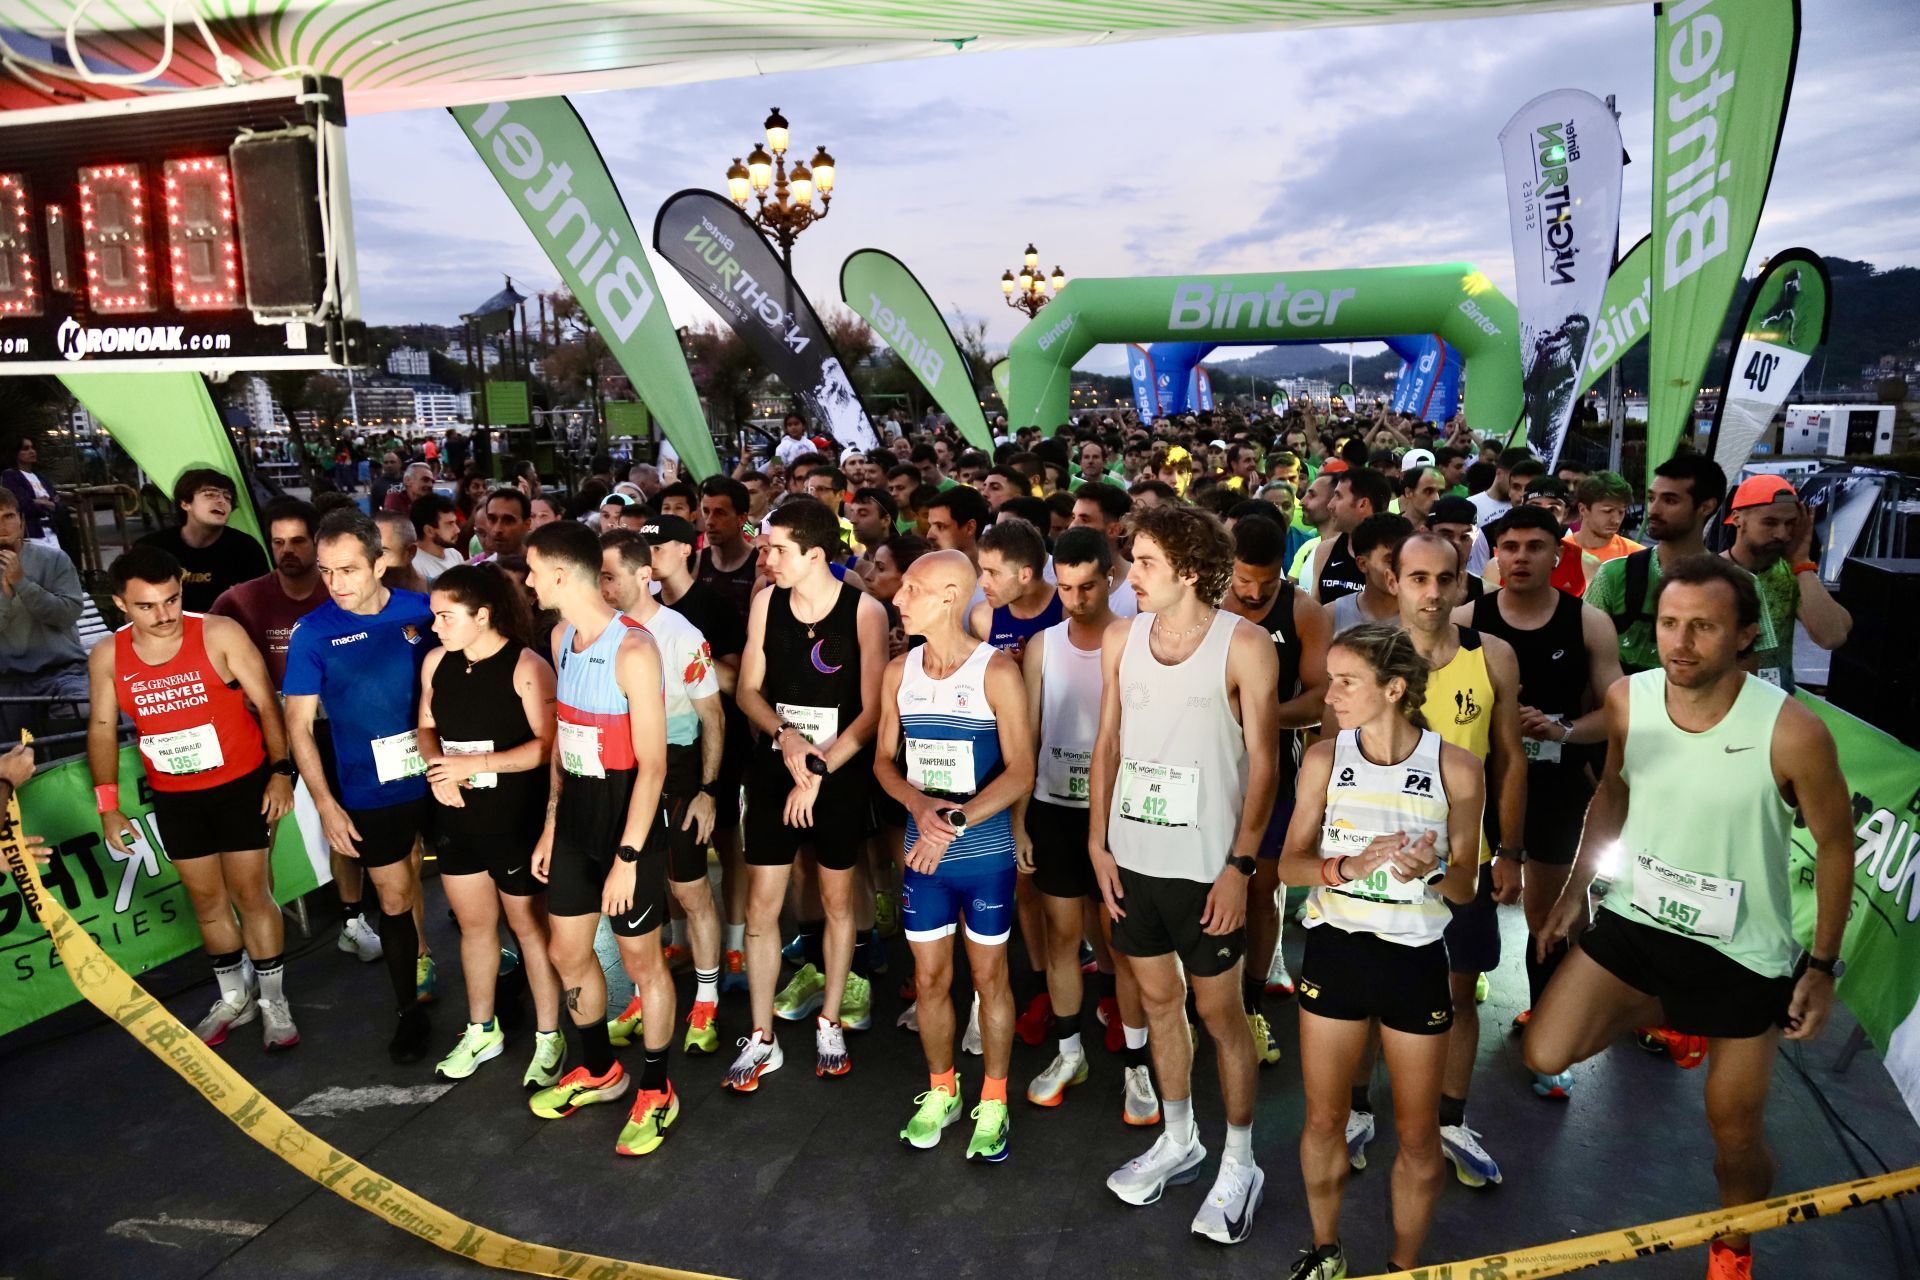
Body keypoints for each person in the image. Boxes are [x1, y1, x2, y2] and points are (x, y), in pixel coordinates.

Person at [1524, 556, 1855, 1280]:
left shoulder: (1793, 732)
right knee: (1544, 1054)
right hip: (1639, 920)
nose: (1680, 642)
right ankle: (1673, 1015)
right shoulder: (1629, 701)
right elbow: (1611, 793)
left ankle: (1734, 1240)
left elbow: (1835, 845)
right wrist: (1575, 891)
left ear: (1744, 637)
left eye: (1703, 627)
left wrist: (1823, 967)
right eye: (1670, 624)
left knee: (1733, 1133)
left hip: (1742, 951)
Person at [1092, 504, 1278, 1245]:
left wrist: (1241, 865)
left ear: (1190, 571)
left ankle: (1240, 1159)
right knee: (1159, 1003)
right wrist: (1099, 845)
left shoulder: (1247, 644)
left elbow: (1265, 762)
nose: (1127, 576)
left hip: (1208, 868)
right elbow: (1107, 741)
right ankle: (1180, 1139)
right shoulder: (1121, 637)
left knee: (1222, 1017)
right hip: (1132, 860)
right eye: (1131, 561)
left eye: (1143, 563)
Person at [1277, 623, 1484, 1280]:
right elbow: (1288, 866)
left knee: (1420, 1135)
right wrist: (1346, 866)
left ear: (1394, 689)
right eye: (1331, 680)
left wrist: (1427, 871)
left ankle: (1403, 1266)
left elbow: (1466, 885)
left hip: (1415, 963)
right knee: (1324, 1119)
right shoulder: (1321, 758)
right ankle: (1327, 1249)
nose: (1329, 694)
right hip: (1336, 952)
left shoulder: (1457, 768)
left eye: (1346, 682)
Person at [1346, 532, 1524, 1188]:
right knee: (1367, 990)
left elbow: (1509, 758)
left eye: (1443, 579)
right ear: (1394, 580)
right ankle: (1356, 1111)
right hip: (1381, 861)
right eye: (1416, 577)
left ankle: (1451, 1120)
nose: (1430, 591)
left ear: (1461, 584)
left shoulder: (1493, 656)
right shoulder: (1364, 654)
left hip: (1462, 861)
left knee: (1456, 992)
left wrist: (1509, 850)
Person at [88, 546, 301, 1050]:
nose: (163, 616)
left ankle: (273, 999)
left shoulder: (217, 632)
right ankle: (233, 996)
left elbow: (267, 703)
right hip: (176, 795)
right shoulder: (108, 655)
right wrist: (108, 806)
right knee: (206, 901)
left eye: (172, 599)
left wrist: (281, 771)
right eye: (147, 606)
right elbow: (100, 727)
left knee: (251, 894)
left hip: (239, 785)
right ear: (120, 603)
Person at [521, 520, 680, 1157]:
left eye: (533, 570)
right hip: (576, 823)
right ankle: (598, 1069)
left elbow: (655, 766)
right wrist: (552, 824)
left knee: (643, 966)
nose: (528, 580)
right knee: (567, 953)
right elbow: (565, 743)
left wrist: (628, 858)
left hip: (627, 828)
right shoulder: (560, 636)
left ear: (561, 574)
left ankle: (658, 1088)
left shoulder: (633, 651)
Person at [875, 549, 1034, 1160]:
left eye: (910, 588)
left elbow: (1022, 770)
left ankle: (993, 1099)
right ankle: (942, 1089)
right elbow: (883, 761)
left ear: (948, 596)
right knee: (930, 980)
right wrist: (920, 809)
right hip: (925, 857)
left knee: (990, 979)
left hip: (983, 853)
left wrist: (956, 818)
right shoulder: (900, 671)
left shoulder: (995, 671)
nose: (897, 597)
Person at [1462, 506, 1623, 1097]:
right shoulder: (1465, 619)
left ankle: (1547, 1031)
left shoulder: (1589, 623)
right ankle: (1445, 1014)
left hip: (1556, 786)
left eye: (1535, 546)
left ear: (1560, 553)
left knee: (1550, 915)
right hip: (1479, 788)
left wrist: (1562, 730)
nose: (1521, 557)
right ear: (1495, 554)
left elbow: (1615, 714)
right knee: (1463, 901)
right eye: (1509, 547)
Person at [728, 499, 888, 1089]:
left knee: (838, 900)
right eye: (765, 547)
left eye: (776, 550)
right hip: (776, 766)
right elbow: (748, 691)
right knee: (761, 907)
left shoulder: (864, 611)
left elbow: (872, 713)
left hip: (838, 770)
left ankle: (831, 1019)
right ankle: (762, 1035)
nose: (764, 558)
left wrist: (818, 766)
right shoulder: (766, 602)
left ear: (815, 554)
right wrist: (787, 737)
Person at [284, 509, 438, 1063]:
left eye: (347, 570)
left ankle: (499, 991)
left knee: (481, 891)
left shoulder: (426, 613)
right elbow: (297, 726)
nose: (335, 583)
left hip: (444, 774)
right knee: (394, 899)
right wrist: (325, 804)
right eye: (326, 572)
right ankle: (408, 1012)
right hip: (371, 788)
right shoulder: (312, 634)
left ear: (380, 562)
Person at [1018, 527, 1159, 1123]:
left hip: (1122, 810)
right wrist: (1021, 821)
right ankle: (1069, 1051)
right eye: (1066, 587)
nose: (1076, 598)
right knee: (1061, 938)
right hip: (1054, 808)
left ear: (1110, 579)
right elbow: (1024, 738)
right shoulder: (1041, 646)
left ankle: (1137, 1067)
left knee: (1122, 945)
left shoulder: (1137, 641)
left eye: (1088, 586)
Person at [417, 564, 565, 1088]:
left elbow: (548, 748)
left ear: (482, 615)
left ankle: (550, 1034)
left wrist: (475, 766)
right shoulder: (437, 662)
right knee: (475, 928)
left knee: (529, 928)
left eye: (445, 616)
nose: (436, 627)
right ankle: (482, 1028)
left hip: (515, 819)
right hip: (458, 815)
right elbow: (426, 727)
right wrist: (439, 771)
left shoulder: (528, 666)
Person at [602, 528, 726, 1056]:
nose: (601, 586)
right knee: (639, 893)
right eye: (598, 576)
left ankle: (706, 998)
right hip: (622, 771)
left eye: (608, 576)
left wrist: (708, 790)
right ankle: (639, 992)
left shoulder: (681, 634)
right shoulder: (598, 632)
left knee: (691, 890)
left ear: (643, 576)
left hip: (677, 772)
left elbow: (713, 718)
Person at [1220, 515, 1331, 1066]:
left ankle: (1251, 1002)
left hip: (1276, 770)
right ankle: (1203, 1010)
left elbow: (1319, 700)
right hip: (1211, 773)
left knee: (1261, 894)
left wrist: (1258, 719)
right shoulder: (1208, 601)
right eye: (1244, 579)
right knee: (1201, 890)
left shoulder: (1303, 611)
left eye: (1266, 581)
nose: (1255, 591)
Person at [652, 514, 753, 993]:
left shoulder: (714, 604)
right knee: (673, 849)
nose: (649, 558)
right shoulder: (643, 610)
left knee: (728, 845)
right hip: (668, 745)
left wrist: (689, 658)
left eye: (658, 547)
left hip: (720, 738)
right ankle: (679, 941)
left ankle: (733, 944)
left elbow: (735, 681)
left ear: (685, 549)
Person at [1585, 455, 1760, 676]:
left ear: (1706, 507)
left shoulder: (1741, 584)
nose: (1654, 510)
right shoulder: (1613, 574)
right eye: (1651, 498)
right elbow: (1582, 654)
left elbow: (1746, 672)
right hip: (1620, 707)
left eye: (1670, 500)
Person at [1721, 474, 1852, 692]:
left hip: (1777, 703)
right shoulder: (1710, 574)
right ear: (1737, 519)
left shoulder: (1789, 574)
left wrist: (1802, 563)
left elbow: (1832, 637)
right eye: (1770, 522)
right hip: (1723, 703)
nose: (1782, 534)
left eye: (1790, 524)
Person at [0, 487, 90, 740]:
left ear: (22, 520)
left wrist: (23, 585)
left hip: (61, 673)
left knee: (86, 711)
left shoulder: (53, 559)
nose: (2, 526)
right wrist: (6, 596)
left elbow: (67, 614)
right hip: (6, 681)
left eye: (8, 516)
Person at [135, 468, 269, 613]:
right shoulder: (151, 548)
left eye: (227, 497)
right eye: (210, 494)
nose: (221, 501)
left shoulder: (246, 549)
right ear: (185, 503)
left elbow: (260, 606)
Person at [969, 517, 1060, 663]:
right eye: (983, 571)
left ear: (1025, 575)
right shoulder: (981, 618)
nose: (982, 583)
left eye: (993, 573)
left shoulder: (1068, 613)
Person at [1307, 469, 1392, 605]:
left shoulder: (1395, 556)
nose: (1330, 505)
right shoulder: (1326, 550)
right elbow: (1316, 610)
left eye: (1338, 496)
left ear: (1362, 504)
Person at [1064, 482, 1141, 618]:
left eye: (1084, 520)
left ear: (1113, 530)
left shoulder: (1140, 588)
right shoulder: (1059, 582)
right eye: (1073, 517)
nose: (1072, 527)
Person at [1328, 513, 1412, 634]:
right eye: (1390, 560)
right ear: (1362, 564)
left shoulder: (1428, 616)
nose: (1401, 568)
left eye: (1407, 559)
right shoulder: (1332, 616)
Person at [3, 435, 67, 549]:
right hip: (32, 533)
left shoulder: (40, 477)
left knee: (57, 564)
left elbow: (59, 505)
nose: (32, 451)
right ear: (16, 453)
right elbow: (23, 506)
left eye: (32, 448)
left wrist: (40, 502)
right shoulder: (12, 476)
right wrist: (49, 504)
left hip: (51, 531)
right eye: (26, 448)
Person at [1567, 471, 1641, 563]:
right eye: (1608, 511)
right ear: (1583, 509)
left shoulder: (1635, 556)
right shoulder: (1558, 551)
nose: (1616, 520)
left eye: (1621, 512)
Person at [410, 494, 466, 585]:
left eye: (455, 523)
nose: (457, 530)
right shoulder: (414, 566)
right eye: (450, 524)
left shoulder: (454, 554)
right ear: (429, 531)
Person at [479, 487, 531, 560]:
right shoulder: (478, 570)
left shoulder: (545, 569)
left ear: (527, 525)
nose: (497, 529)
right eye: (492, 519)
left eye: (508, 521)